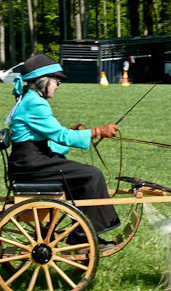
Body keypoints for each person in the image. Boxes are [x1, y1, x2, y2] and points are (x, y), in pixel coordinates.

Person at [6, 54, 120, 251]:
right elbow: (61, 136)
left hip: (28, 160)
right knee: (92, 175)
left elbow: (45, 140)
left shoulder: (28, 99)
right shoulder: (36, 103)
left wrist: (78, 135)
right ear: (43, 80)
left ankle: (82, 233)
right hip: (32, 164)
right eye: (56, 80)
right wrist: (98, 131)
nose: (58, 85)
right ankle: (83, 236)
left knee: (81, 174)